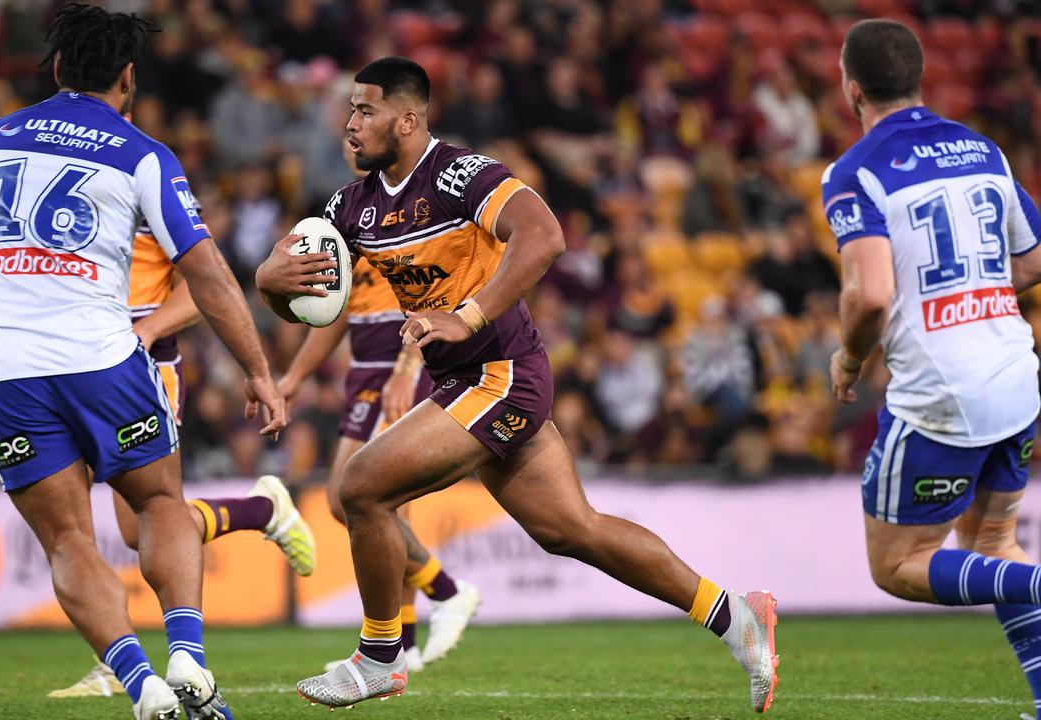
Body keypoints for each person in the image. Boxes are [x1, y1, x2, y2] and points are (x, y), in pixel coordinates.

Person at [256, 56, 779, 712]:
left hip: (501, 373)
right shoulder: (351, 207)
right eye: (351, 110)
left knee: (360, 486)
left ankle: (379, 658)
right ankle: (737, 619)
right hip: (465, 381)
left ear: (409, 120)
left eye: (366, 110)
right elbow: (314, 297)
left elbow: (545, 235)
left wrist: (467, 314)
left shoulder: (459, 174)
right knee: (572, 530)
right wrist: (268, 285)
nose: (350, 124)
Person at [0, 5, 285, 720]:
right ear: (127, 78)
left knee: (67, 537)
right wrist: (258, 370)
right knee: (158, 502)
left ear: (59, 67)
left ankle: (141, 686)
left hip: (3, 363)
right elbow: (211, 274)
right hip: (100, 355)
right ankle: (186, 655)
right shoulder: (141, 154)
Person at [827, 19, 1041, 719]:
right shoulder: (982, 149)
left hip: (943, 397)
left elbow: (870, 294)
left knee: (896, 566)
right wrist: (972, 292)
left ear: (851, 87)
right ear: (920, 77)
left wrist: (850, 356)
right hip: (1015, 374)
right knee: (992, 543)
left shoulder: (854, 171)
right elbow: (1034, 259)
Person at [51, 218, 315, 699]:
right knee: (91, 522)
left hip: (144, 368)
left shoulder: (142, 183)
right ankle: (263, 510)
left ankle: (116, 662)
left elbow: (206, 281)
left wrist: (148, 328)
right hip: (73, 364)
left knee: (142, 522)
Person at [279, 258, 479, 674]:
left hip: (398, 367)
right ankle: (426, 612)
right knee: (359, 503)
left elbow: (425, 299)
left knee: (371, 500)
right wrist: (295, 376)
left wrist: (406, 369)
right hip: (364, 371)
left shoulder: (402, 220)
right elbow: (338, 311)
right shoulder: (353, 225)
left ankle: (422, 616)